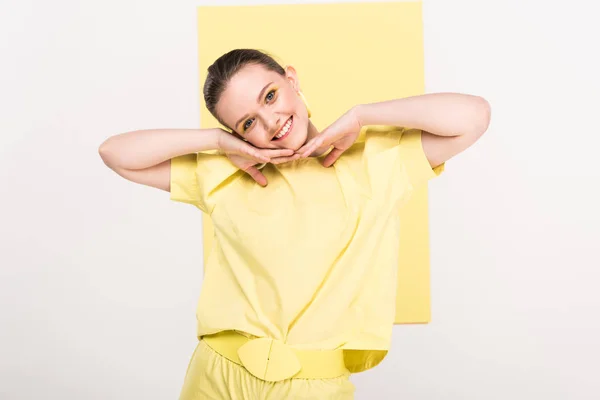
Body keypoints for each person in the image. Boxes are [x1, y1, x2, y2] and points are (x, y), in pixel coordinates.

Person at [98, 49, 491, 399]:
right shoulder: (229, 172)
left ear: (292, 78)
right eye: (247, 123)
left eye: (270, 96)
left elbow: (473, 116)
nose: (270, 122)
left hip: (314, 385)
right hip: (217, 375)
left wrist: (361, 115)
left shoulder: (376, 161)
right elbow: (115, 153)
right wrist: (216, 143)